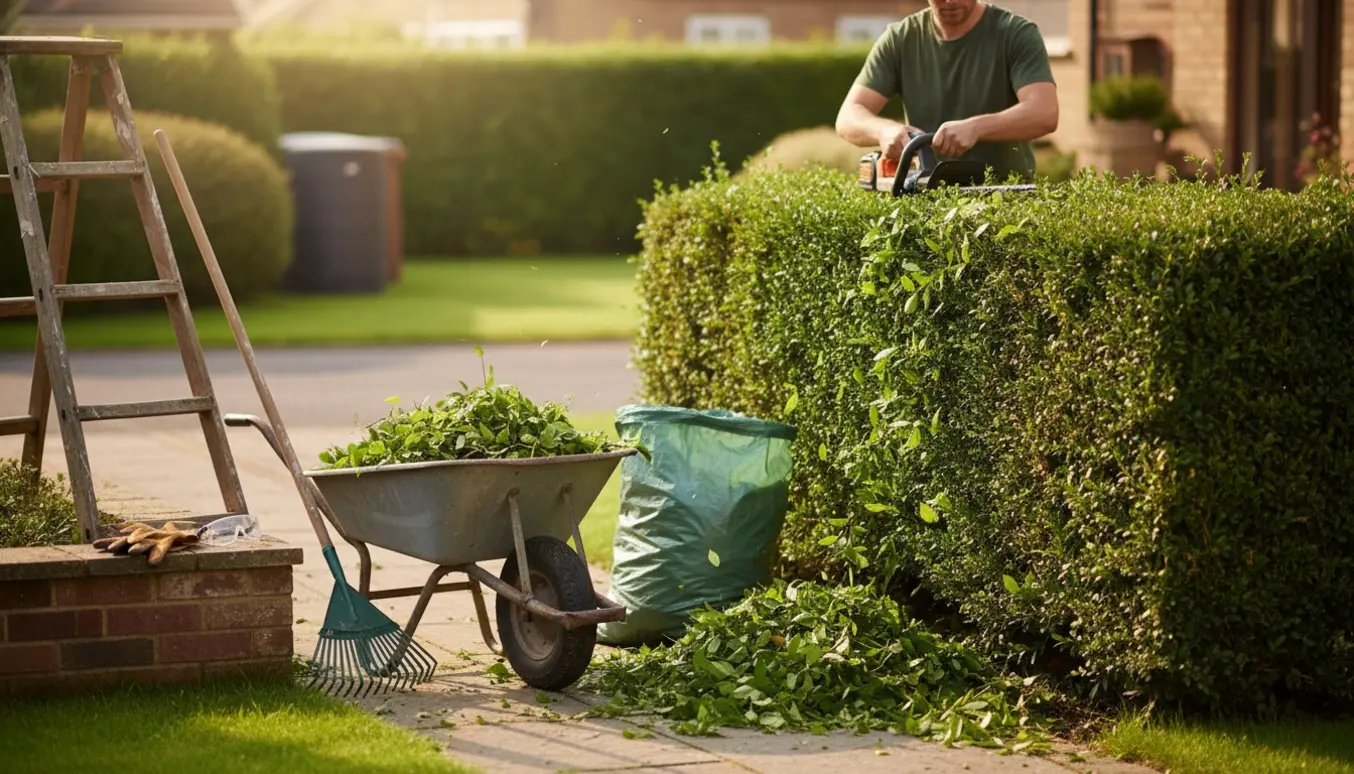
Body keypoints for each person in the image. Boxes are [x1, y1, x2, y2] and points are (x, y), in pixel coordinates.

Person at [835, 0, 1059, 183]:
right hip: (924, 196)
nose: (950, 1)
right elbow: (848, 116)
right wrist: (883, 131)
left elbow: (1044, 112)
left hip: (1005, 201)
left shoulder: (1016, 33)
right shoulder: (900, 38)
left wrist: (976, 128)